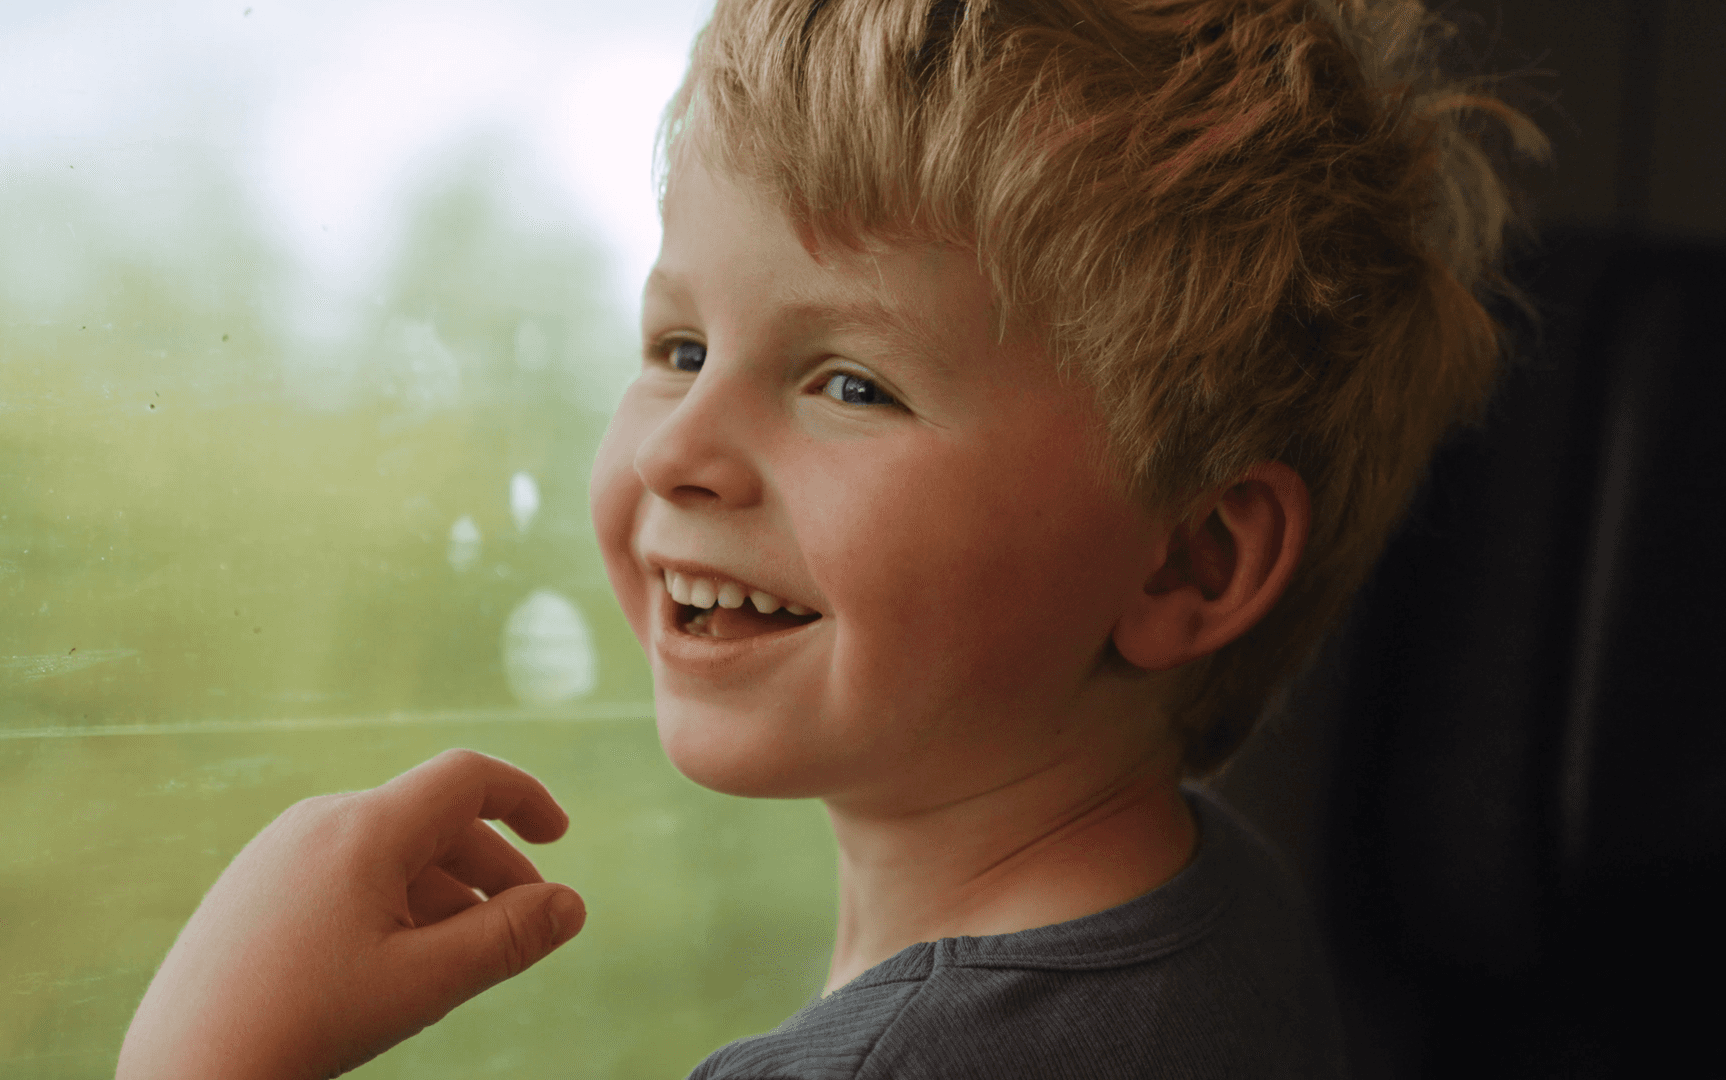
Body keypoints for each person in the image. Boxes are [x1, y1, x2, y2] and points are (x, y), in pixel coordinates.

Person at [118, 0, 1543, 1076]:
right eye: (677, 345)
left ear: (1189, 564)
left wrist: (212, 1058)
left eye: (850, 383)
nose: (676, 447)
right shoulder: (1217, 903)